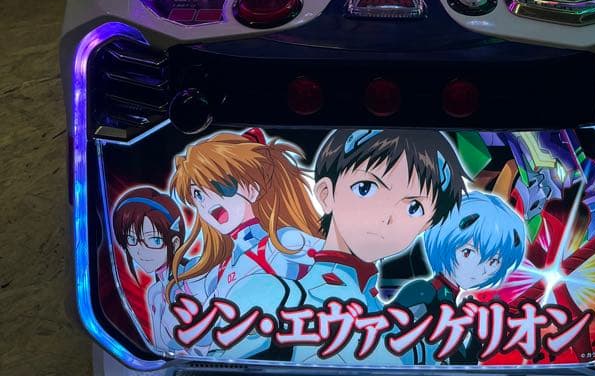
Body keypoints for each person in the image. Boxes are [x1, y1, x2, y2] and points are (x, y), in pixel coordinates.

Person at [296, 128, 466, 365]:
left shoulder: (368, 295)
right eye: (365, 188)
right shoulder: (299, 293)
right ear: (326, 194)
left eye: (414, 207)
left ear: (425, 225)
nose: (386, 217)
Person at [169, 128, 322, 359]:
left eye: (220, 186)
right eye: (198, 195)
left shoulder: (286, 242)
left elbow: (333, 270)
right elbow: (206, 326)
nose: (209, 202)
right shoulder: (223, 267)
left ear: (252, 189)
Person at [394, 190, 526, 364]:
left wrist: (477, 333)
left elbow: (463, 365)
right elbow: (384, 332)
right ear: (444, 241)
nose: (481, 269)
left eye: (493, 261)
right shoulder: (424, 291)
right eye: (468, 252)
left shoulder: (454, 304)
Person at [111, 187, 187, 354]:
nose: (140, 251)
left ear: (175, 243)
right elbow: (160, 351)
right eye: (131, 239)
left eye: (154, 240)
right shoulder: (155, 293)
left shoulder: (193, 280)